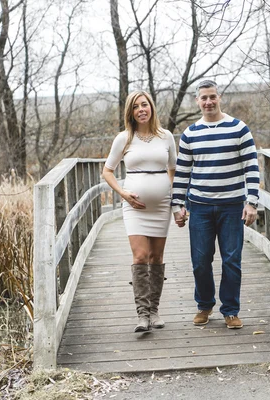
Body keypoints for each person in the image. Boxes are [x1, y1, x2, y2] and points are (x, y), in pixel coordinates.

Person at [171, 80, 259, 329]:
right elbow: (182, 173)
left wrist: (251, 202)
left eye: (212, 97)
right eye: (203, 98)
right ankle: (204, 305)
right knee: (200, 260)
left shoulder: (238, 128)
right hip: (199, 207)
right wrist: (177, 205)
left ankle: (230, 310)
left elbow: (251, 167)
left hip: (232, 206)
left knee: (232, 260)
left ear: (219, 98)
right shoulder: (190, 133)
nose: (208, 102)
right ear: (197, 102)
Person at [103, 91, 177, 332]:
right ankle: (142, 315)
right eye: (136, 107)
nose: (141, 110)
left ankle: (154, 311)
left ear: (151, 107)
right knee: (140, 256)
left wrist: (176, 204)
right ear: (130, 112)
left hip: (161, 205)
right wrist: (123, 194)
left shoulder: (165, 136)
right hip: (134, 207)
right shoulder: (124, 138)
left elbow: (173, 170)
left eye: (144, 105)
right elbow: (107, 171)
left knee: (156, 258)